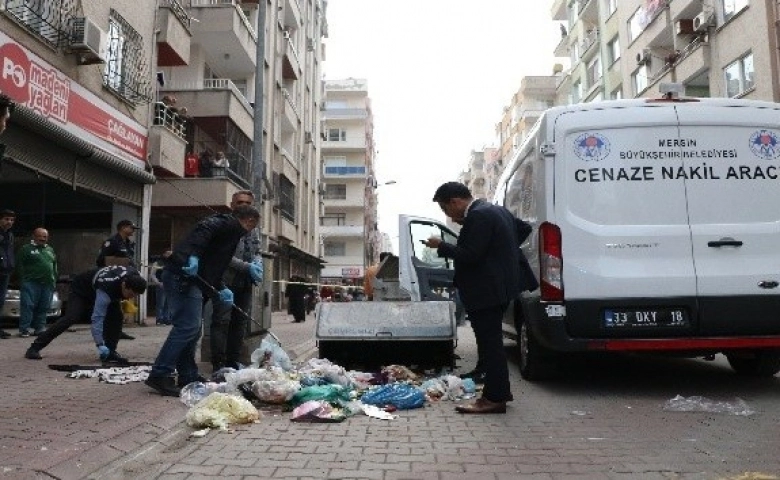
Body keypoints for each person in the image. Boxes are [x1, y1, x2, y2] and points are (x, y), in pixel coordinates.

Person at [423, 181, 536, 414]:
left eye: (446, 210)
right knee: (491, 344)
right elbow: (524, 228)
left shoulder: (478, 216)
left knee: (491, 345)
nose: (450, 217)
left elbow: (470, 255)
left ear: (455, 201)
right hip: (501, 287)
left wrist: (441, 245)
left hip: (486, 290)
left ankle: (494, 398)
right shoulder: (496, 210)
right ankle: (498, 391)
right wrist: (501, 252)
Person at [145, 204, 260, 397]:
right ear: (249, 221)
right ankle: (160, 373)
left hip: (191, 279)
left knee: (192, 328)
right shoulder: (228, 224)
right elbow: (202, 232)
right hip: (182, 276)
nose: (250, 232)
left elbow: (214, 266)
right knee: (187, 327)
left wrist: (221, 288)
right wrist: (193, 257)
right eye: (253, 227)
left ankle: (187, 374)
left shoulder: (229, 231)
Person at [24, 266, 147, 361]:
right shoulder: (106, 289)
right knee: (72, 317)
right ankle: (34, 348)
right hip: (81, 290)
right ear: (124, 285)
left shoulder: (136, 277)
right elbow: (97, 318)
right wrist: (99, 344)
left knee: (116, 317)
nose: (131, 298)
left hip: (103, 287)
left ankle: (110, 353)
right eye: (131, 294)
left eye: (135, 295)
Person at [210, 191, 263, 372]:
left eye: (247, 202)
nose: (243, 205)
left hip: (245, 283)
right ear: (232, 204)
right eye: (239, 202)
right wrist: (246, 266)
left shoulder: (254, 227)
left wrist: (257, 263)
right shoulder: (224, 224)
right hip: (225, 281)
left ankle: (233, 361)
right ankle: (218, 363)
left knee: (239, 324)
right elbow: (224, 255)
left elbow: (257, 250)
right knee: (221, 321)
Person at [96, 219, 139, 339]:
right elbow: (100, 260)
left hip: (124, 279)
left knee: (118, 307)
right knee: (110, 307)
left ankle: (117, 331)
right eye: (131, 228)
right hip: (112, 279)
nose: (133, 231)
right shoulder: (112, 242)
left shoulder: (128, 243)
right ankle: (106, 332)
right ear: (123, 228)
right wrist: (119, 263)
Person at [16, 228, 57, 337]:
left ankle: (39, 328)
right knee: (27, 305)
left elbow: (54, 265)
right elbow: (19, 265)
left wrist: (54, 279)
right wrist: (23, 279)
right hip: (31, 282)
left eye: (45, 237)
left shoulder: (50, 250)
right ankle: (24, 329)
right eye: (41, 236)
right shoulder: (26, 249)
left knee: (44, 306)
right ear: (34, 236)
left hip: (47, 283)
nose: (43, 239)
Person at [0, 209, 15, 339]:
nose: (9, 222)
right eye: (6, 219)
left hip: (5, 271)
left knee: (1, 301)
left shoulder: (9, 234)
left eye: (11, 220)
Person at [150, 250, 172, 325]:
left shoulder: (172, 263)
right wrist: (158, 282)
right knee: (161, 303)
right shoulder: (157, 263)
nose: (169, 255)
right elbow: (152, 274)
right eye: (168, 253)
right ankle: (159, 319)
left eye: (171, 254)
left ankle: (166, 318)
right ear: (164, 254)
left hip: (170, 286)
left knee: (168, 303)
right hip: (161, 285)